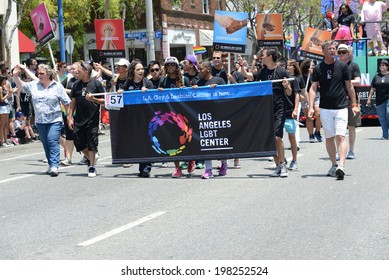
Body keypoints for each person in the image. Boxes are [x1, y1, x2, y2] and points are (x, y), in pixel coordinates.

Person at [308, 40, 360, 180]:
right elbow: (312, 88)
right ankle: (333, 164)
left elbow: (349, 87)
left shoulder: (343, 67)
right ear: (323, 51)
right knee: (329, 138)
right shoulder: (318, 68)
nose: (333, 51)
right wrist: (312, 106)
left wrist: (354, 104)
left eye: (334, 48)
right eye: (330, 49)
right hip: (325, 108)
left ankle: (341, 165)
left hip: (341, 107)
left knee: (341, 136)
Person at [13, 64, 71, 177]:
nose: (39, 76)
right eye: (38, 73)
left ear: (48, 74)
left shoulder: (57, 86)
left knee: (52, 140)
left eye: (41, 73)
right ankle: (50, 163)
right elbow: (21, 86)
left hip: (55, 119)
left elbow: (66, 102)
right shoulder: (34, 85)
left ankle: (55, 165)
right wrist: (16, 76)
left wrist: (69, 117)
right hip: (40, 120)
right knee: (45, 143)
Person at [116, 59, 154, 178]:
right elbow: (121, 98)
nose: (141, 71)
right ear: (133, 71)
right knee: (138, 143)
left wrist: (148, 92)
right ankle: (141, 166)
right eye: (138, 69)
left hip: (146, 118)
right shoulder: (127, 83)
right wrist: (120, 92)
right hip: (132, 119)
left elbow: (154, 99)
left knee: (146, 143)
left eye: (142, 69)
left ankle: (146, 168)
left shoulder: (148, 83)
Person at [67, 62, 105, 178]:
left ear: (86, 72)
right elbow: (72, 103)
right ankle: (91, 156)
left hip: (92, 118)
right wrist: (69, 117)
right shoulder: (76, 85)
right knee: (78, 141)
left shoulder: (96, 84)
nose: (76, 73)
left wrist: (93, 99)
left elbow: (104, 100)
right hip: (79, 118)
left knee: (92, 142)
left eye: (78, 72)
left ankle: (92, 166)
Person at [193, 60, 227, 179]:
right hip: (205, 117)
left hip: (219, 115)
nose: (199, 71)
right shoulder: (199, 82)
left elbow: (227, 95)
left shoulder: (219, 80)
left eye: (201, 69)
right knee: (206, 142)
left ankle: (224, 164)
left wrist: (217, 90)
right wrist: (195, 91)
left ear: (208, 68)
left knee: (220, 142)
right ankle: (208, 169)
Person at [158, 56, 191, 178]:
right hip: (170, 116)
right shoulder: (163, 80)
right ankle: (177, 168)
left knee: (186, 140)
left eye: (173, 65)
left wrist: (185, 90)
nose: (170, 67)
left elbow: (192, 96)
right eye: (168, 65)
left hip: (184, 116)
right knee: (173, 142)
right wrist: (159, 91)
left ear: (177, 67)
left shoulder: (184, 79)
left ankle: (190, 160)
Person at [336, 44, 361, 159]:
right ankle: (338, 151)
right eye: (339, 52)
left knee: (351, 126)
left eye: (343, 52)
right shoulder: (334, 66)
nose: (341, 54)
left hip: (351, 99)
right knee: (338, 127)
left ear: (348, 53)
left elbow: (358, 81)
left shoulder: (354, 66)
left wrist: (346, 81)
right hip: (338, 99)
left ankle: (351, 150)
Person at [285, 59, 305, 170]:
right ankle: (280, 159)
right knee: (276, 137)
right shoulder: (282, 78)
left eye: (290, 65)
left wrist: (296, 108)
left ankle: (294, 160)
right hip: (279, 110)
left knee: (291, 136)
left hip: (290, 110)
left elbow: (298, 94)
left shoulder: (296, 79)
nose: (288, 67)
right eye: (286, 65)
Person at [300, 59, 323, 143]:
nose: (314, 67)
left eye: (314, 66)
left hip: (316, 95)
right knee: (308, 117)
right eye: (312, 66)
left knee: (319, 114)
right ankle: (310, 134)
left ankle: (317, 131)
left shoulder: (317, 75)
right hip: (305, 96)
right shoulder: (302, 76)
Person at [367, 59, 389, 139]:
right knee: (382, 117)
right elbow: (373, 88)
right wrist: (369, 99)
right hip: (379, 99)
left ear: (387, 67)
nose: (381, 67)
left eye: (383, 65)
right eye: (380, 65)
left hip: (388, 98)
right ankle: (385, 135)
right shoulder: (376, 76)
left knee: (388, 113)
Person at [0, 74, 12, 147]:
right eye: (4, 80)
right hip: (2, 107)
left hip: (6, 106)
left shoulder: (4, 87)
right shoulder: (0, 88)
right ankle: (2, 141)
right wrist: (7, 94)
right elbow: (1, 99)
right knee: (2, 124)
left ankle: (5, 140)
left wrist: (10, 92)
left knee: (6, 124)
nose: (5, 81)